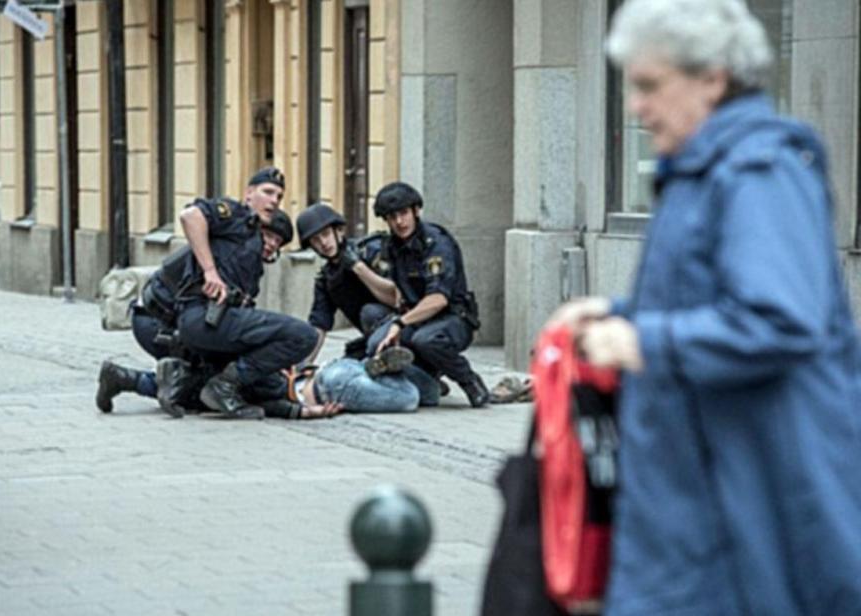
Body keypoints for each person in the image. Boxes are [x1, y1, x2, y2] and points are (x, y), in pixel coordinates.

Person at [547, 1, 861, 613]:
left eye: (649, 86)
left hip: (749, 499)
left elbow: (778, 317)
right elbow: (704, 297)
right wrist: (615, 312)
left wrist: (643, 342)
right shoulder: (704, 169)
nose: (637, 107)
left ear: (712, 78)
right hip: (695, 494)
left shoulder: (758, 172)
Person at [94, 181, 305, 417]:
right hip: (158, 323)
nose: (271, 244)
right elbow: (191, 216)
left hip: (178, 322)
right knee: (211, 383)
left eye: (278, 242)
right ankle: (169, 375)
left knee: (210, 386)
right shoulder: (228, 237)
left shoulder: (248, 266)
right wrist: (209, 271)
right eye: (268, 236)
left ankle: (124, 378)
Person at [365, 181, 489, 408]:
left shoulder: (436, 242)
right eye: (392, 217)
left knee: (426, 340)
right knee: (376, 344)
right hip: (417, 318)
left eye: (403, 213)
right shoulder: (391, 246)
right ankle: (427, 379)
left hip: (452, 319)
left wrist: (400, 324)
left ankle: (470, 381)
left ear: (416, 211)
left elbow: (438, 299)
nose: (399, 222)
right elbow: (397, 291)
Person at [295, 203, 396, 361]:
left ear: (339, 231)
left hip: (402, 325)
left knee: (370, 313)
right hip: (375, 336)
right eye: (316, 240)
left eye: (326, 234)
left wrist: (359, 268)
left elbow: (397, 298)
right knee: (348, 361)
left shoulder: (370, 249)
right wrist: (302, 365)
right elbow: (320, 325)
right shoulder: (327, 278)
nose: (323, 243)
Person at [253, 346, 439, 419]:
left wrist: (308, 412)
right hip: (336, 366)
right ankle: (379, 366)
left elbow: (272, 406)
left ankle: (383, 368)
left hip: (331, 390)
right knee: (431, 395)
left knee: (409, 398)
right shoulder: (248, 356)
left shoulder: (238, 383)